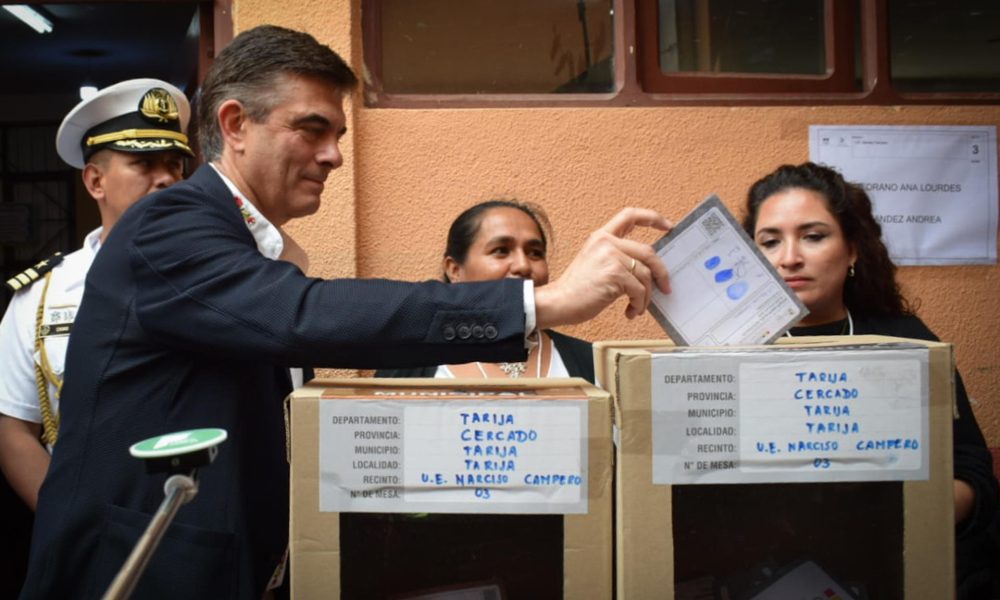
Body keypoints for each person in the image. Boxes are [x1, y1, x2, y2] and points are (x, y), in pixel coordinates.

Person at [20, 25, 671, 599]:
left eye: (338, 135)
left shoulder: (254, 246)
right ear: (235, 125)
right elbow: (304, 314)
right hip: (137, 572)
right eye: (312, 129)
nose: (333, 154)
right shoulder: (171, 222)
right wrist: (541, 302)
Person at [744, 161, 999, 599]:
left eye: (813, 235)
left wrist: (884, 516)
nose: (789, 258)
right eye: (770, 241)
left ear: (853, 249)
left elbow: (974, 480)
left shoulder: (906, 342)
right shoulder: (727, 351)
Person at [0, 79, 193, 512]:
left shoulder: (219, 276)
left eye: (175, 165)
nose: (166, 179)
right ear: (95, 181)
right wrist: (67, 524)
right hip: (89, 521)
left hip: (200, 519)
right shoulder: (42, 296)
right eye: (144, 164)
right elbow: (14, 428)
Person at [377, 199, 595, 382]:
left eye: (535, 253)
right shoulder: (408, 362)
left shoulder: (590, 363)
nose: (523, 265)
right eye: (501, 251)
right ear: (454, 270)